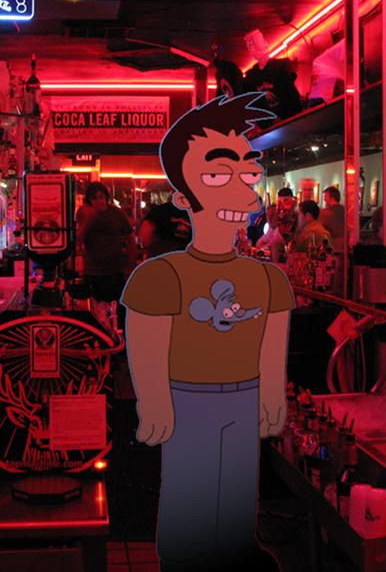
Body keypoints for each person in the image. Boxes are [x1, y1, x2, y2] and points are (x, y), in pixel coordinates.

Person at [121, 94, 294, 572]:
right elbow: (146, 341)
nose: (239, 191)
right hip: (187, 396)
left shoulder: (269, 278)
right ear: (184, 198)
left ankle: (234, 549)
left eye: (246, 175)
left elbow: (271, 344)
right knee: (190, 493)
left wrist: (271, 395)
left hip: (244, 394)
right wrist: (154, 400)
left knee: (237, 491)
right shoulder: (160, 276)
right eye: (218, 176)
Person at [76, 181, 136, 304]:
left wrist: (130, 264)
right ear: (89, 200)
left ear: (106, 197)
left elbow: (130, 238)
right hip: (93, 271)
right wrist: (92, 217)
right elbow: (78, 239)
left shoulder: (117, 213)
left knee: (116, 307)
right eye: (94, 198)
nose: (99, 201)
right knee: (95, 308)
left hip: (115, 270)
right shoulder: (84, 213)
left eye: (101, 197)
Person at [319, 185, 345, 253]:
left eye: (325, 196)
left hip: (334, 243)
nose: (324, 199)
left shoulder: (326, 212)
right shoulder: (346, 210)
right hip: (346, 243)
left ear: (332, 197)